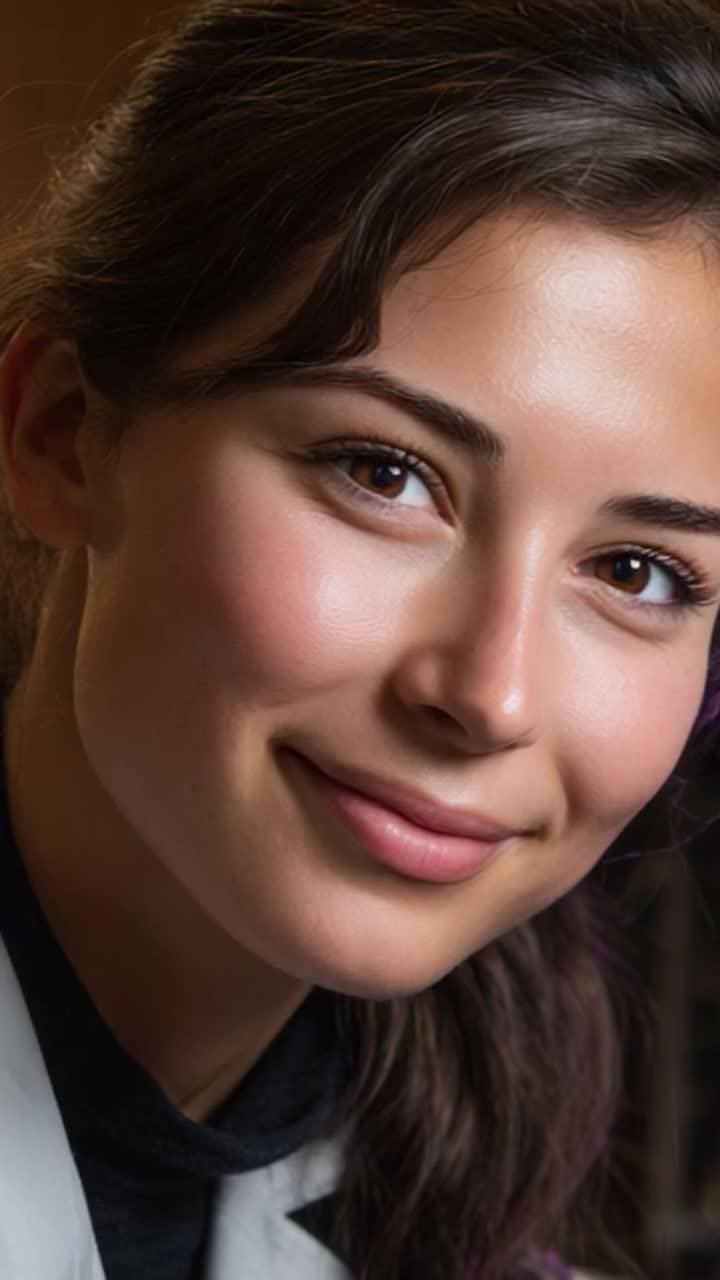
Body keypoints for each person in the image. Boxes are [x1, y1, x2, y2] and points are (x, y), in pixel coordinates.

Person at [0, 1, 719, 1277]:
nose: (490, 694)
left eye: (636, 569)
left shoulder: (471, 1208)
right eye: (383, 473)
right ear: (62, 434)